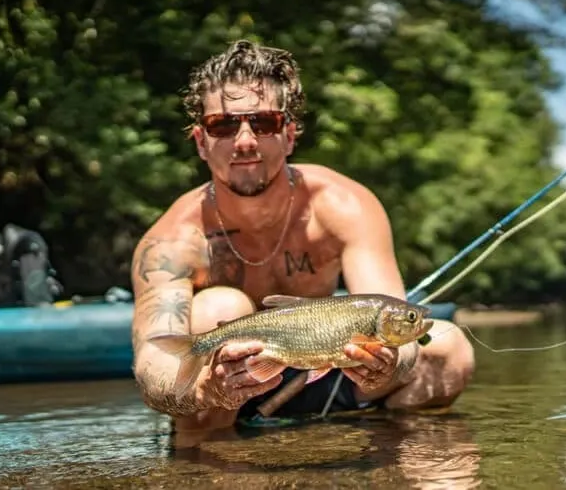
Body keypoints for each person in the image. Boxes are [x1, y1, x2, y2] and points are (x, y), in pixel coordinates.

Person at [129, 40, 475, 431]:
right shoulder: (172, 241)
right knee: (218, 307)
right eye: (223, 125)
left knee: (449, 347)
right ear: (201, 142)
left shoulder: (345, 206)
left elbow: (396, 323)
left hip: (330, 372)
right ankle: (214, 471)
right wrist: (205, 391)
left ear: (290, 135)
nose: (245, 141)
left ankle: (384, 464)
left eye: (264, 123)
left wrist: (390, 364)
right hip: (220, 392)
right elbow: (153, 362)